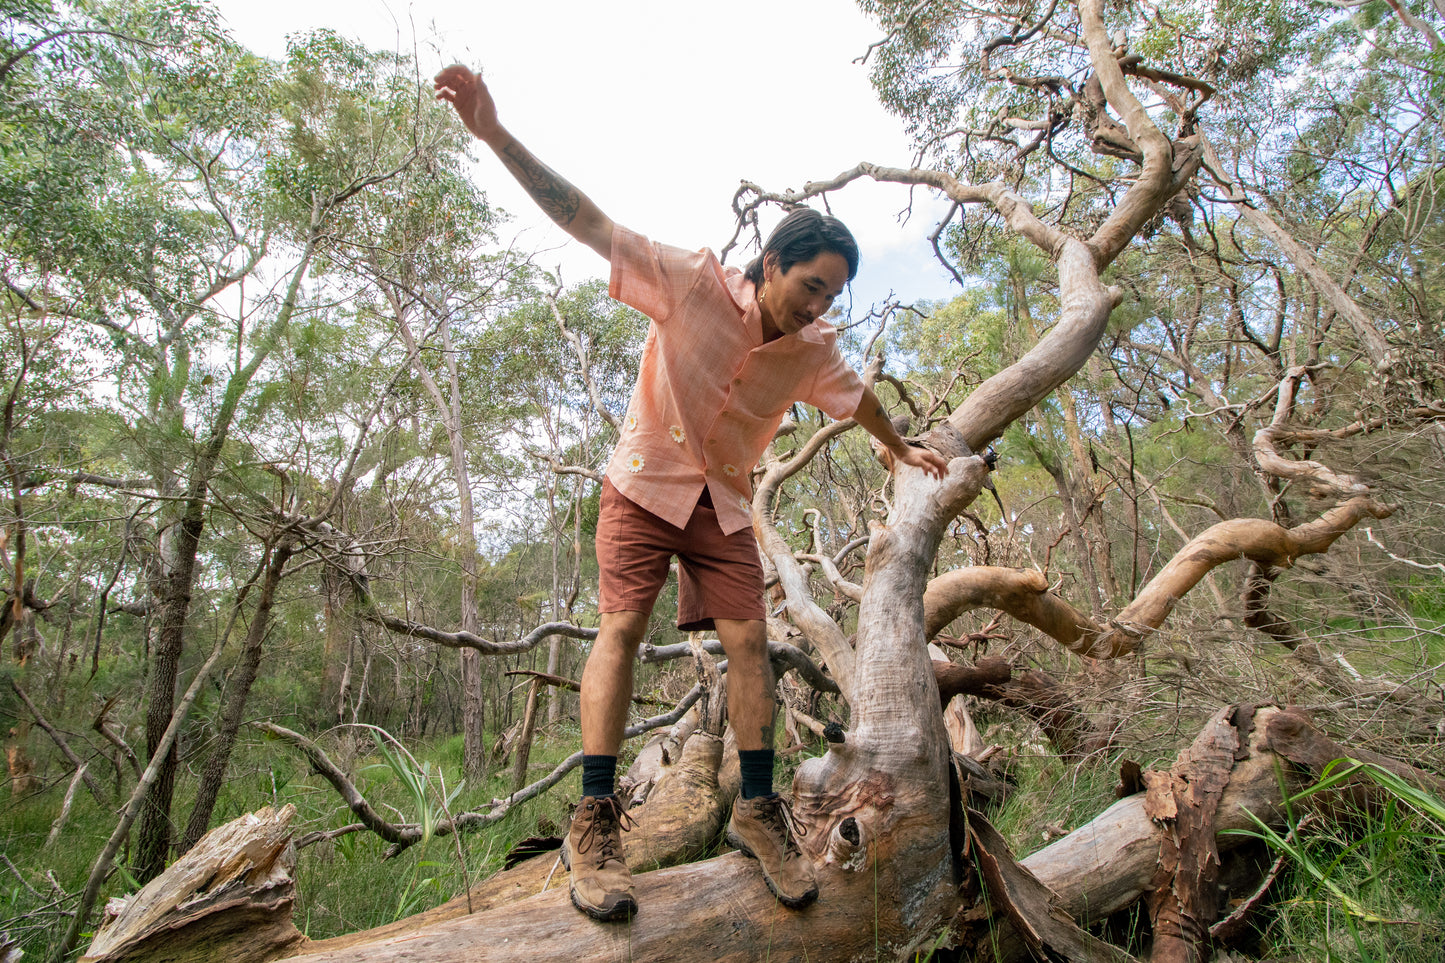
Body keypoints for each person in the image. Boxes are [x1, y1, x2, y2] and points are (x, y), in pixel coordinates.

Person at [434, 63, 950, 921]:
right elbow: (589, 221)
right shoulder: (690, 281)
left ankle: (756, 809)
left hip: (723, 502)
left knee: (750, 641)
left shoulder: (811, 349)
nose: (817, 305)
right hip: (642, 483)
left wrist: (904, 449)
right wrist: (494, 135)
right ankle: (598, 819)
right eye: (810, 283)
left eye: (831, 294)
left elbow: (857, 398)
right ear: (773, 262)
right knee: (622, 627)